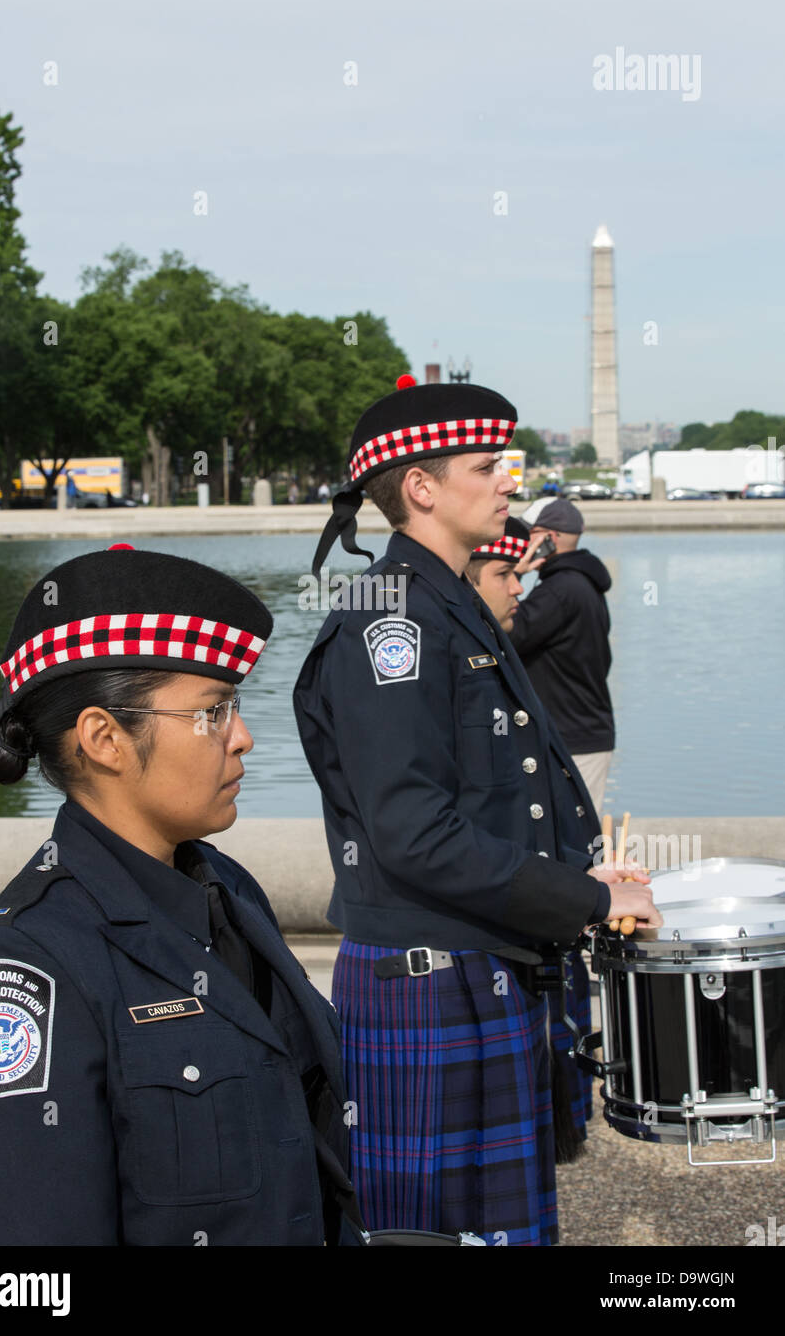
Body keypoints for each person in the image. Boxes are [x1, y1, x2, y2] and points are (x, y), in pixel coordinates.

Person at [293, 376, 660, 1246]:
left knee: (500, 1237)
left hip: (477, 961)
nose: (509, 481)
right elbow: (414, 833)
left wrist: (579, 872)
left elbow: (491, 795)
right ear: (420, 487)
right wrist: (592, 904)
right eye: (489, 464)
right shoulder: (396, 624)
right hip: (433, 979)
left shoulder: (453, 604)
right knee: (437, 1238)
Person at [0, 543, 361, 1246]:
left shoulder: (225, 889)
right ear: (104, 738)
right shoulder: (27, 972)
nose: (242, 738)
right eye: (212, 713)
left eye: (235, 708)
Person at [466, 516, 597, 1141]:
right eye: (504, 573)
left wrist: (581, 877)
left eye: (521, 572)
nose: (518, 586)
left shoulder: (536, 613)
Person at [512, 499, 615, 814]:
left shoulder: (560, 590)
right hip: (583, 731)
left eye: (528, 535)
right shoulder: (581, 583)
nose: (519, 542)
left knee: (575, 846)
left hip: (573, 738)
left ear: (548, 539)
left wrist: (512, 573)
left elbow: (506, 636)